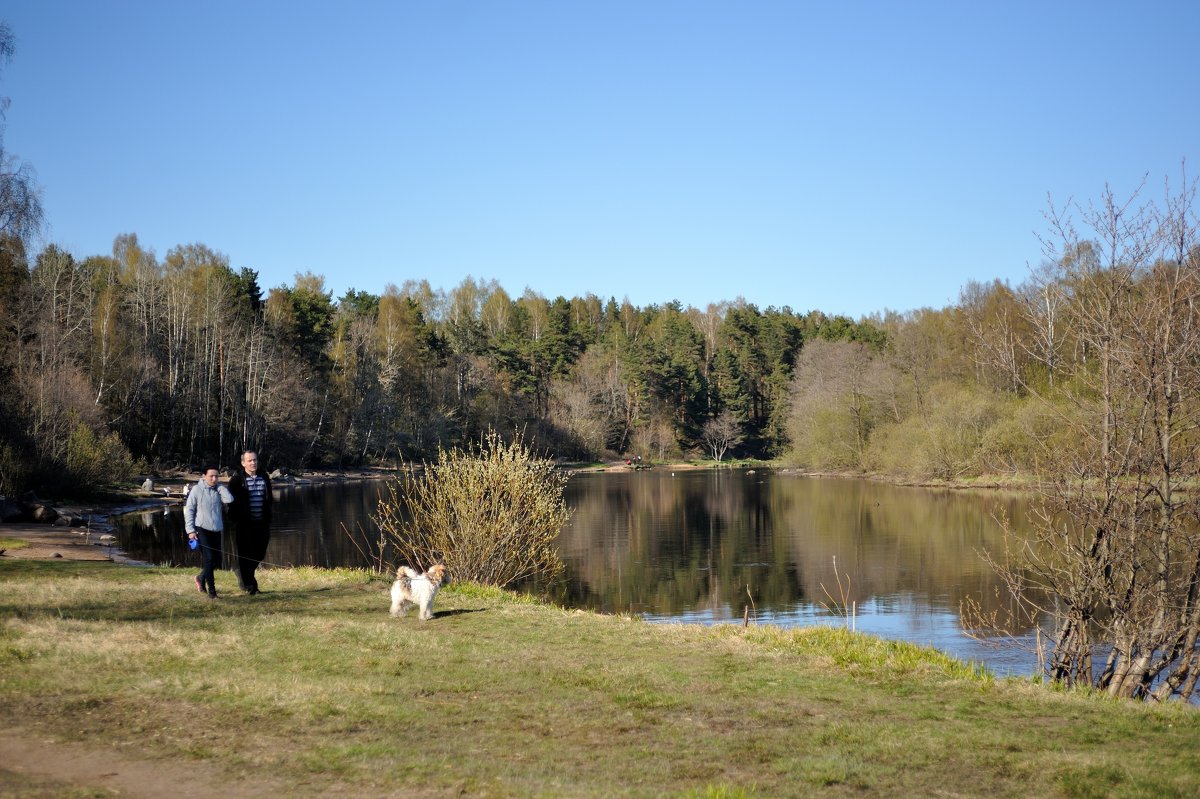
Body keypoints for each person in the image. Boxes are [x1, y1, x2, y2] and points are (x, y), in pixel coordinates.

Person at [183, 466, 233, 599]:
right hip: (201, 529)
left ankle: (200, 577)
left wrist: (221, 487)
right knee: (209, 559)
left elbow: (229, 500)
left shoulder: (218, 489)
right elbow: (189, 510)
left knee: (216, 560)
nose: (214, 478)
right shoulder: (197, 490)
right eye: (211, 476)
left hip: (216, 529)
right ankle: (212, 592)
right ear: (204, 476)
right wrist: (191, 531)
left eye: (217, 476)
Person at [227, 450, 273, 595]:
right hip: (244, 524)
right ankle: (251, 587)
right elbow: (231, 503)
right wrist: (236, 519)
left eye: (255, 460)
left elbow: (268, 498)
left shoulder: (264, 476)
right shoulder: (237, 480)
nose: (253, 463)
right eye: (249, 461)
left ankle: (241, 572)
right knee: (245, 555)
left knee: (259, 554)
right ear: (243, 463)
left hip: (262, 523)